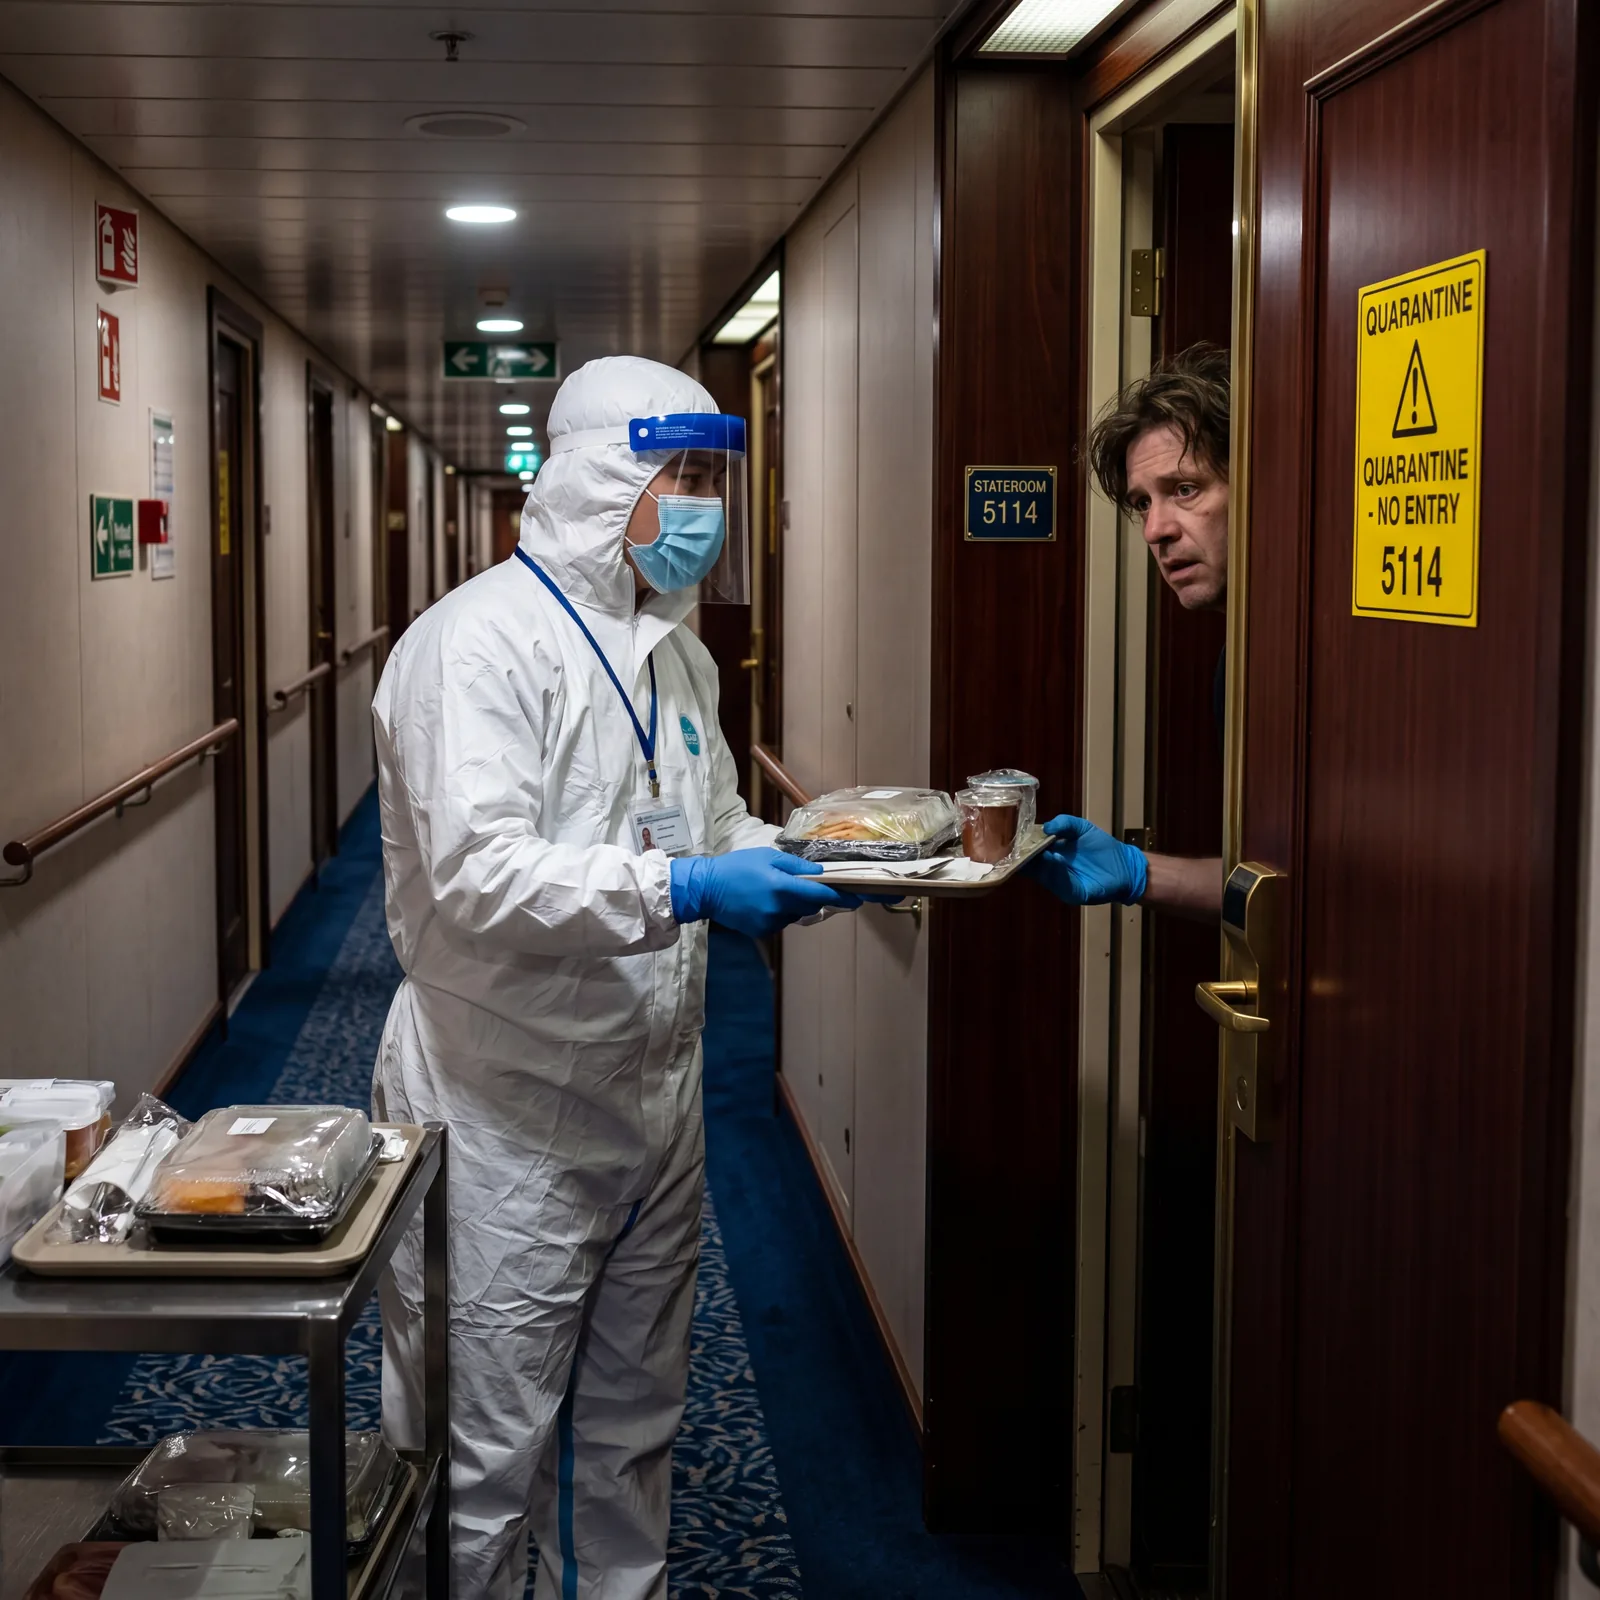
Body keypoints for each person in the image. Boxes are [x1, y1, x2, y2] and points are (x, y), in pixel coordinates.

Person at [370, 355, 866, 1599]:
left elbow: (704, 823)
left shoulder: (674, 656)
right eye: (675, 475)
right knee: (479, 1451)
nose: (700, 504)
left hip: (654, 1106)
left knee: (631, 1435)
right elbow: (479, 875)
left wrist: (821, 851)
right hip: (502, 1118)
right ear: (599, 481)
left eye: (712, 477)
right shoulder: (474, 646)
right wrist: (689, 891)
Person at [1027, 343, 1230, 919]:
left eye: (1185, 489)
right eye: (1144, 503)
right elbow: (1275, 888)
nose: (1155, 531)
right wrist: (1142, 872)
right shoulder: (1236, 665)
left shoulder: (1342, 656)